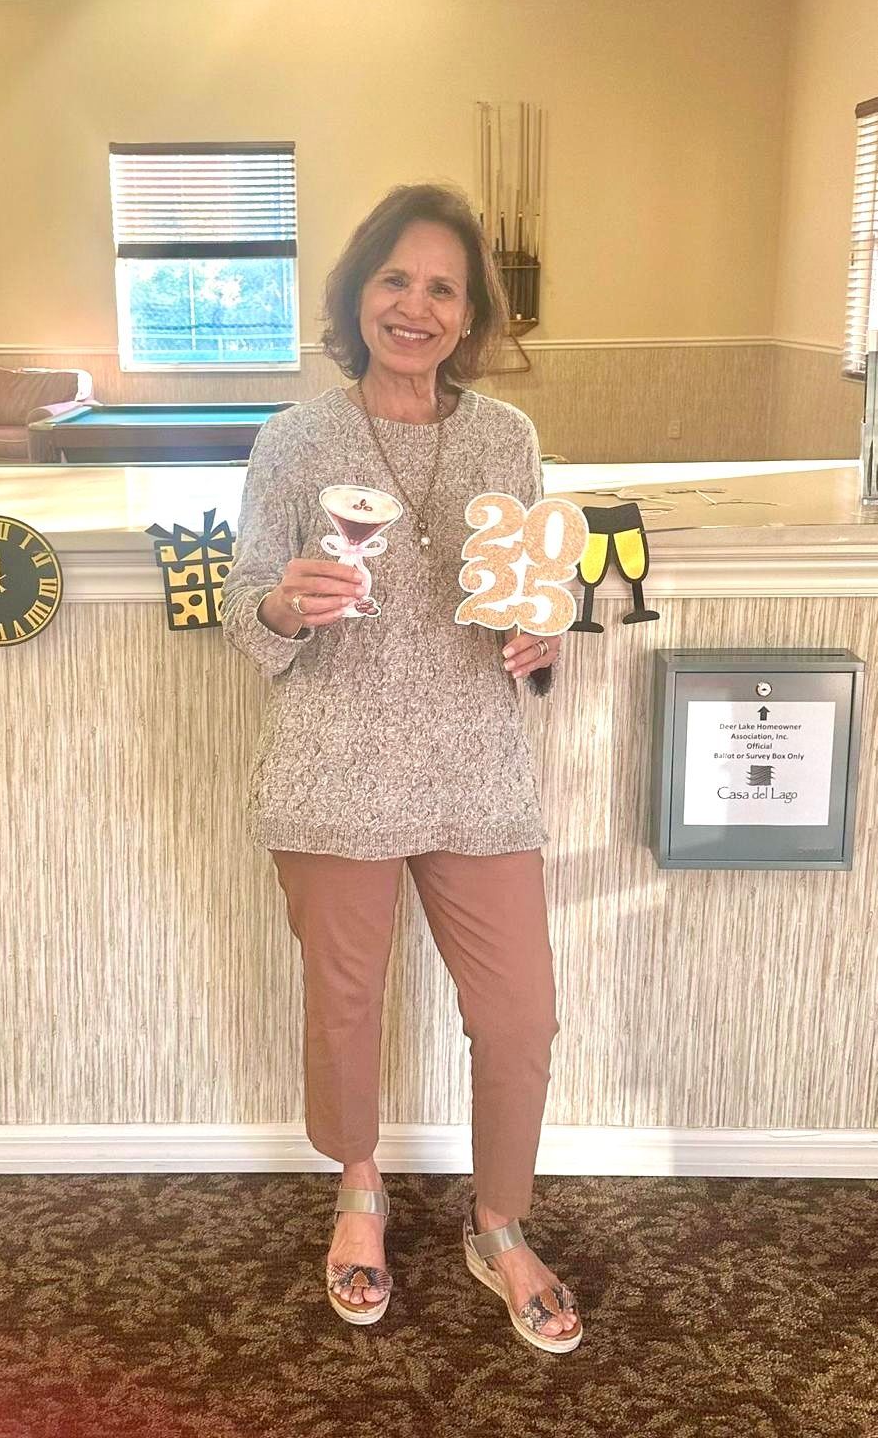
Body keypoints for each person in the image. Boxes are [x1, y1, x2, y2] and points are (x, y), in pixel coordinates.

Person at [220, 182, 581, 1353]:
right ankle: (361, 1189)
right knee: (346, 1005)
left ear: (469, 315)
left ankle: (499, 1221)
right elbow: (243, 609)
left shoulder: (505, 439)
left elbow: (536, 588)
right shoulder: (295, 438)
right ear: (356, 291)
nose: (413, 306)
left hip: (477, 767)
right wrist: (282, 599)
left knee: (521, 1015)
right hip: (334, 768)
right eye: (393, 279)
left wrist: (542, 629)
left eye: (441, 287)